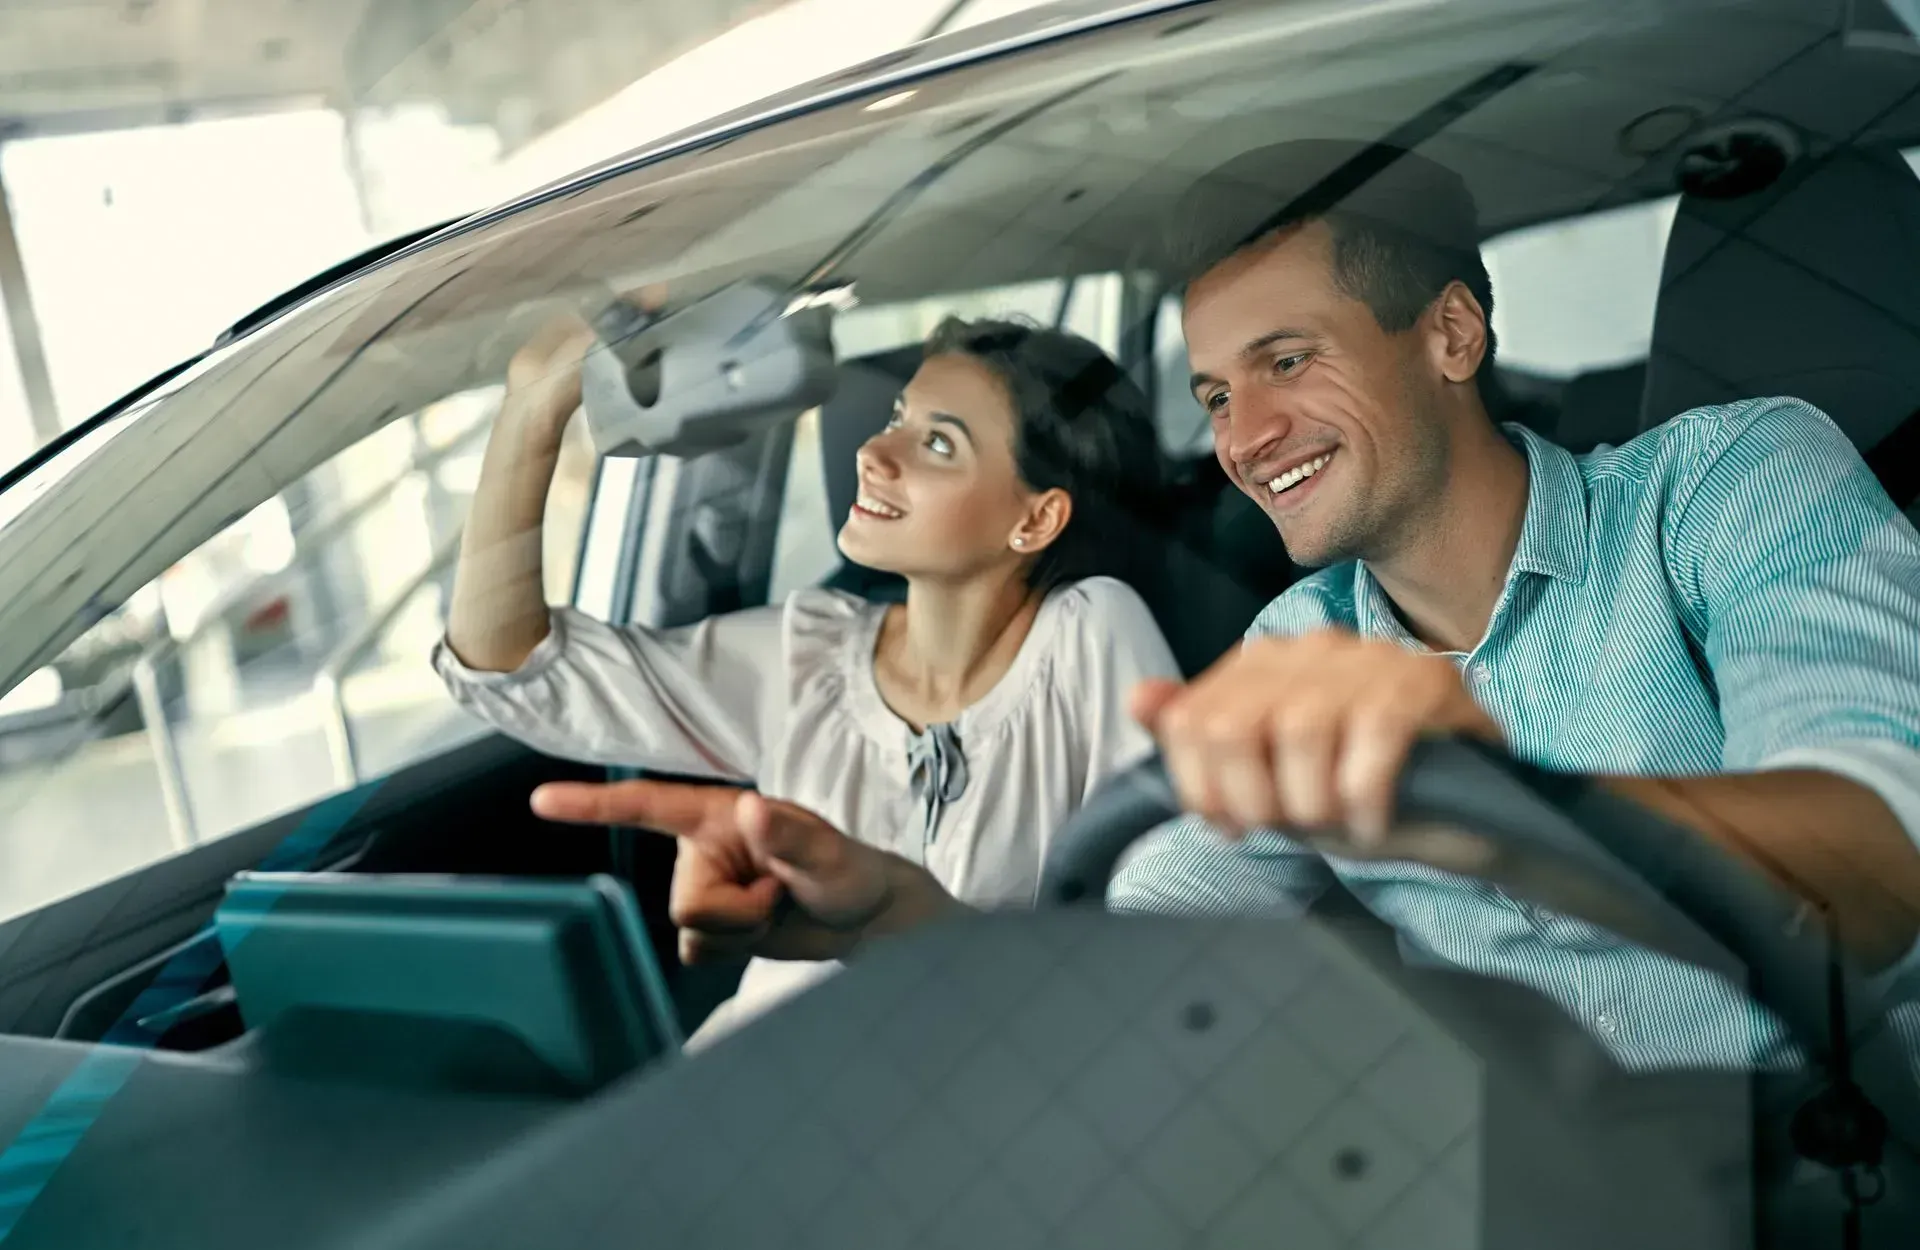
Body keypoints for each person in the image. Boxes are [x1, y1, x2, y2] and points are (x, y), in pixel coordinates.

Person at [529, 142, 1920, 1070]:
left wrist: (1495, 800)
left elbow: (1888, 856)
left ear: (1449, 334)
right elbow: (1130, 968)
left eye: (1287, 361)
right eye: (1212, 393)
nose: (1244, 434)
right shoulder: (1292, 650)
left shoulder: (1730, 483)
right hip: (1563, 1185)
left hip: (1857, 1149)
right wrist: (888, 908)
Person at [437, 310, 1179, 1044]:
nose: (874, 452)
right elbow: (514, 667)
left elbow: (1162, 934)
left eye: (937, 442)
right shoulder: (810, 654)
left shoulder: (1091, 630)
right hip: (769, 1077)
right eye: (896, 416)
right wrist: (533, 413)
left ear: (1036, 519)